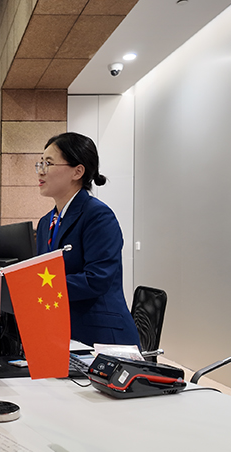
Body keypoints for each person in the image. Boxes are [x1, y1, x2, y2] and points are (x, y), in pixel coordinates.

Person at [35, 132, 140, 347]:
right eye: (40, 163)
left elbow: (97, 279)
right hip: (63, 331)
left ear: (78, 171)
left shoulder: (98, 216)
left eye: (49, 163)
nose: (41, 170)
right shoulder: (47, 222)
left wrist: (36, 286)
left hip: (101, 338)